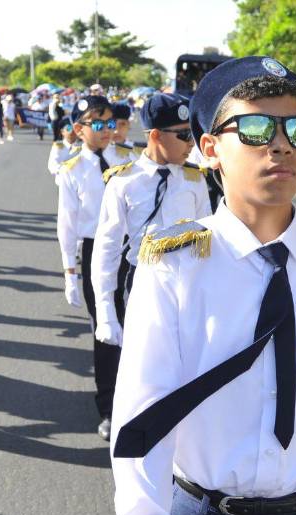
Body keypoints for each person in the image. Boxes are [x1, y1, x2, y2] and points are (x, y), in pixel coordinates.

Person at [111, 56, 296, 515]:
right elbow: (142, 424)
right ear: (210, 151)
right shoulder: (177, 264)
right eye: (253, 127)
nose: (280, 144)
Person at [91, 93, 211, 385]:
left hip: (189, 283)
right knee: (143, 370)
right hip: (144, 282)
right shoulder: (124, 181)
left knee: (186, 370)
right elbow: (106, 248)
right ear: (156, 135)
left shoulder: (194, 180)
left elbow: (208, 239)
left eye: (192, 135)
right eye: (183, 135)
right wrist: (105, 309)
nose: (191, 144)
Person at [57, 95, 130, 440]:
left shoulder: (131, 161)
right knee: (105, 330)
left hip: (131, 252)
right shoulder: (71, 170)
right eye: (97, 124)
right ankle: (109, 407)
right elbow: (67, 226)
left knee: (137, 327)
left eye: (110, 123)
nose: (105, 130)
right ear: (79, 129)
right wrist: (70, 272)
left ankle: (137, 399)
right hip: (94, 251)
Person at [47, 117, 80, 184]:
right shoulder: (58, 147)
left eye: (74, 129)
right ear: (62, 132)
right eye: (68, 129)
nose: (72, 132)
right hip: (63, 183)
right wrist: (67, 169)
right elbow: (52, 166)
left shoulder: (82, 146)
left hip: (79, 183)